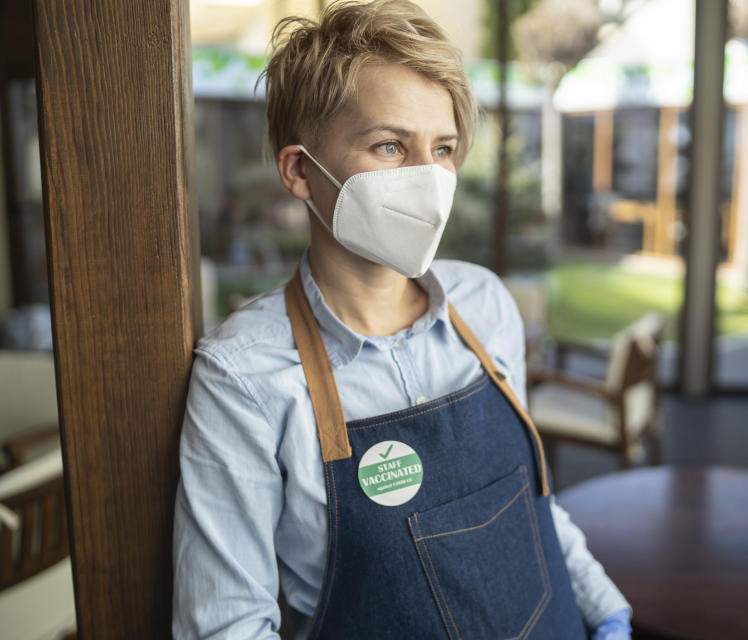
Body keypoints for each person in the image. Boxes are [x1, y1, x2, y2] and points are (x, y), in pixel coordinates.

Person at [173, 1, 632, 638]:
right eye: (390, 145)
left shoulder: (486, 305)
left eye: (442, 148)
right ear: (300, 170)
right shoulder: (245, 378)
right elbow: (225, 626)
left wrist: (606, 607)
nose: (427, 177)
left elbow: (535, 506)